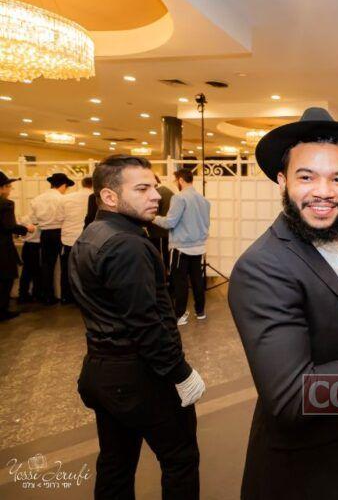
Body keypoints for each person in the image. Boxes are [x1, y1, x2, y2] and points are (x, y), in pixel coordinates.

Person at [228, 107, 338, 500]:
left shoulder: (326, 242)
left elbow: (333, 307)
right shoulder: (263, 266)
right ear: (282, 180)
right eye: (307, 177)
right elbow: (293, 396)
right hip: (305, 470)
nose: (324, 191)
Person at [70, 155, 205, 499]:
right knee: (180, 461)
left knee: (115, 464)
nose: (156, 196)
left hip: (102, 370)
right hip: (141, 376)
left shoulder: (91, 234)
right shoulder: (127, 244)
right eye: (142, 189)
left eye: (154, 187)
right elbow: (146, 324)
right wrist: (181, 373)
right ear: (109, 196)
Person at [152, 169, 210, 325]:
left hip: (181, 248)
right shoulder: (203, 200)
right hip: (199, 247)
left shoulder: (179, 198)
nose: (175, 183)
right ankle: (200, 311)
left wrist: (153, 218)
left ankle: (179, 315)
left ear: (181, 180)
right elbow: (206, 224)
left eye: (175, 180)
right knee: (197, 280)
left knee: (180, 282)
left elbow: (170, 222)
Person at [29, 173, 71, 305]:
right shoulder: (63, 199)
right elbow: (66, 217)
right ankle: (65, 296)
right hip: (60, 233)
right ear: (63, 185)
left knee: (46, 265)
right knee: (64, 265)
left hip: (45, 233)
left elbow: (34, 220)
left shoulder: (37, 199)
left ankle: (47, 296)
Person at [0, 172, 35, 321]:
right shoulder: (6, 204)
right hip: (3, 248)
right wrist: (26, 228)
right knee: (6, 278)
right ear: (2, 188)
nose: (10, 190)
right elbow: (9, 226)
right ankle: (2, 311)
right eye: (9, 187)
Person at [59, 177, 92, 304]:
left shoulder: (67, 198)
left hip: (68, 238)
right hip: (87, 238)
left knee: (67, 269)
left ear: (82, 184)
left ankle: (66, 297)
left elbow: (60, 217)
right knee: (86, 271)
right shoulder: (96, 198)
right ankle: (84, 299)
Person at [147, 175, 174, 273]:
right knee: (166, 257)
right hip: (167, 231)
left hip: (158, 232)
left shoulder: (158, 193)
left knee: (160, 257)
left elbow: (153, 213)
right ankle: (167, 276)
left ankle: (163, 278)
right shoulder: (168, 191)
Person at [17, 211, 41, 304]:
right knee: (37, 272)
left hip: (26, 246)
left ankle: (23, 294)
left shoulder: (24, 218)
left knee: (26, 271)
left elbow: (17, 232)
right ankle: (36, 294)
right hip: (36, 247)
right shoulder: (42, 219)